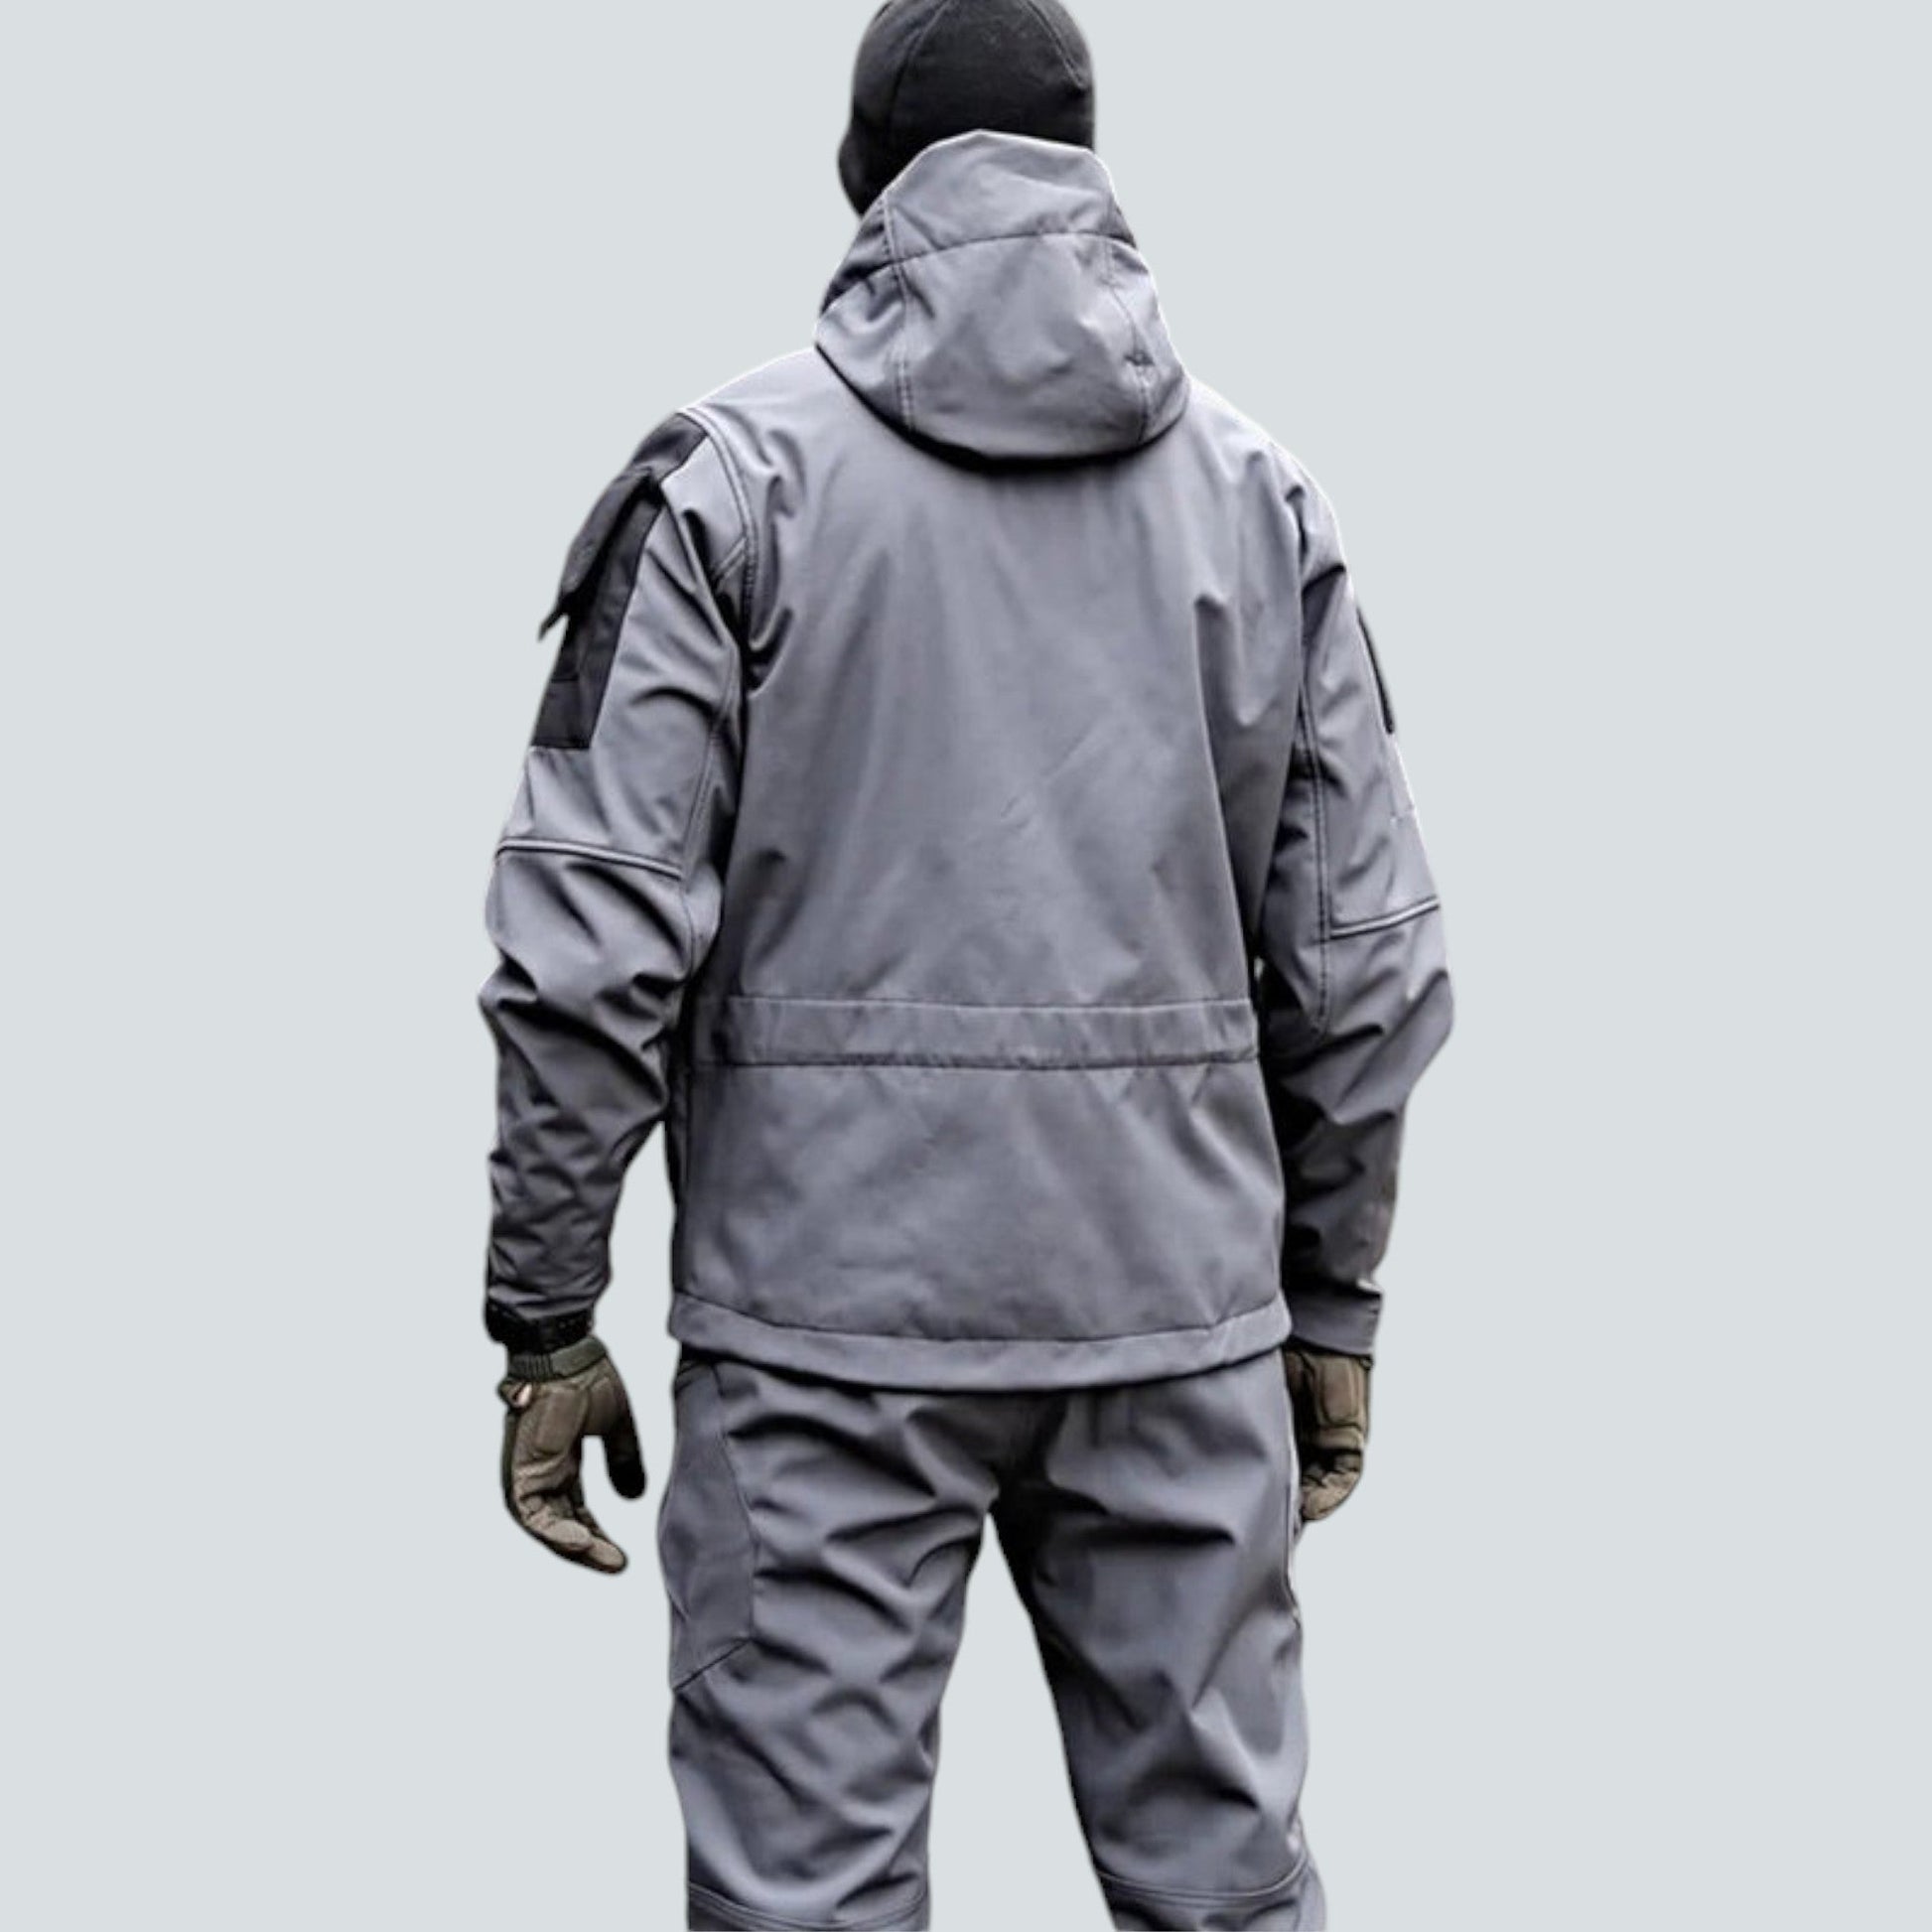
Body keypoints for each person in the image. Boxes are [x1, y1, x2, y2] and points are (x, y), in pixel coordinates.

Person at [478, 3, 1453, 1926]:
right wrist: (1329, 1301)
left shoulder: (723, 488)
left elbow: (585, 948)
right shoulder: (1259, 504)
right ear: (1088, 172)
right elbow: (1361, 955)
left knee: (805, 1902)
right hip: (1172, 1316)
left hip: (819, 1342)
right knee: (1224, 1891)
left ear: (865, 182)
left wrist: (545, 1313)